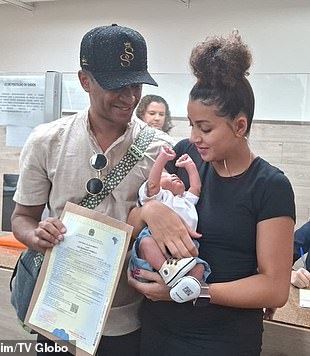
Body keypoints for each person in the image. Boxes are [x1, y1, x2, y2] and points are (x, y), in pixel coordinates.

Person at [11, 24, 183, 356]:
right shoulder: (48, 141)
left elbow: (174, 229)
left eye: (135, 85)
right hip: (57, 313)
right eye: (117, 86)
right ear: (84, 80)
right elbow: (22, 217)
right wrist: (36, 236)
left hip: (127, 319)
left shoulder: (160, 149)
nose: (130, 97)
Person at [127, 31, 296, 356]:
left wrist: (193, 291)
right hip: (157, 332)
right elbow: (133, 223)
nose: (195, 137)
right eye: (191, 124)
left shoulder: (269, 186)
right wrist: (149, 211)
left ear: (240, 126)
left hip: (223, 341)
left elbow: (275, 289)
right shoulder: (182, 155)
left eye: (205, 128)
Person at [129, 145, 210, 303]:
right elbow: (152, 184)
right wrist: (162, 159)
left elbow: (196, 187)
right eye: (166, 175)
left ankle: (186, 285)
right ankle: (166, 270)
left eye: (174, 174)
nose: (174, 175)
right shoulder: (160, 197)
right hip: (155, 239)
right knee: (146, 243)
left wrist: (190, 166)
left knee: (200, 267)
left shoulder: (185, 200)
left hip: (185, 246)